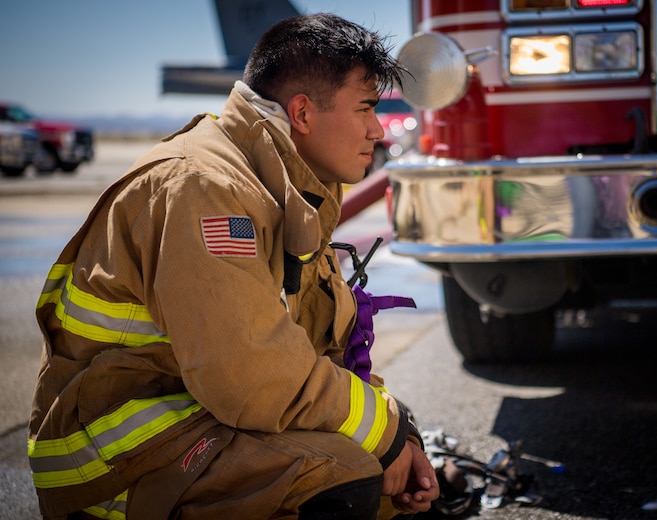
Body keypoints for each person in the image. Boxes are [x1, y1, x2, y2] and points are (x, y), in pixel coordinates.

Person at [27, 13, 438, 519]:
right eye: (366, 109)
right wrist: (384, 433)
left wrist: (401, 430)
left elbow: (313, 350)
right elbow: (251, 374)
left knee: (389, 490)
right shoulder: (205, 188)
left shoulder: (286, 187)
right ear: (303, 114)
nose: (377, 129)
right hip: (113, 458)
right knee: (342, 474)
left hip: (198, 413)